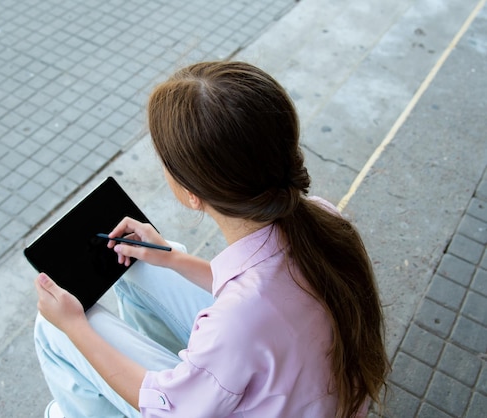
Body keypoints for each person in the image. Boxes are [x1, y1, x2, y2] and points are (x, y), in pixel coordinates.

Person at [34, 61, 389, 418]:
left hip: (215, 389)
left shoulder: (236, 322)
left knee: (53, 329)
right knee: (143, 266)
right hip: (297, 388)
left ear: (191, 193)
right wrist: (171, 258)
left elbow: (172, 411)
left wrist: (74, 326)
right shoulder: (321, 216)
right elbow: (262, 283)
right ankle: (181, 369)